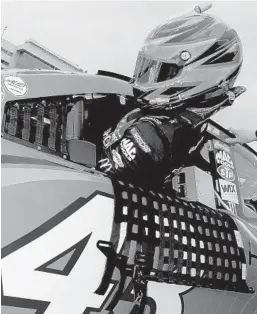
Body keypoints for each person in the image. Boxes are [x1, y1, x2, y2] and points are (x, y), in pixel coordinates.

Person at [99, 11, 245, 189]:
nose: (148, 77)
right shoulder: (186, 121)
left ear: (200, 76)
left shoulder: (152, 136)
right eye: (149, 67)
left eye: (164, 71)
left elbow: (99, 170)